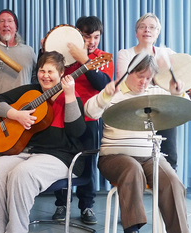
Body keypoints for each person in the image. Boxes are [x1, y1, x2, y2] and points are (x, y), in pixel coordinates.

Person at [84, 54, 189, 233]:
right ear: (129, 72)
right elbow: (90, 111)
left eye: (148, 78)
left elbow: (184, 109)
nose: (144, 82)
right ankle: (132, 229)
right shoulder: (114, 92)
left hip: (149, 157)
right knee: (132, 168)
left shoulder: (155, 93)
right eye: (140, 76)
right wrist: (105, 96)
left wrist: (177, 93)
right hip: (114, 158)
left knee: (172, 181)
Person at [0, 51, 86, 233]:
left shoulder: (71, 96)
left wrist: (70, 95)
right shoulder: (31, 92)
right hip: (28, 152)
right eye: (42, 71)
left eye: (50, 72)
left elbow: (77, 131)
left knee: (22, 173)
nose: (45, 76)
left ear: (61, 73)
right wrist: (16, 114)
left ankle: (17, 230)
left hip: (62, 157)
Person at [46, 16, 114, 224]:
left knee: (88, 164)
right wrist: (46, 51)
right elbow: (48, 78)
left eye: (96, 36)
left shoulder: (104, 57)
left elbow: (101, 83)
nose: (92, 41)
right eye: (86, 36)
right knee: (61, 160)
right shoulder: (63, 57)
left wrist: (84, 59)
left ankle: (87, 207)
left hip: (90, 118)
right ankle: (61, 204)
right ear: (77, 36)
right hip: (62, 117)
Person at [116, 13, 178, 171]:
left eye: (152, 27)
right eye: (142, 27)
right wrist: (158, 72)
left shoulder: (168, 54)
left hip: (163, 110)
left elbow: (178, 80)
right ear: (136, 33)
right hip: (134, 110)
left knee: (169, 157)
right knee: (136, 159)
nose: (147, 30)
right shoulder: (125, 54)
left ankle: (168, 187)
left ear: (157, 33)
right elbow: (126, 84)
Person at [0, 9, 37, 161]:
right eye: (1, 21)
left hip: (24, 115)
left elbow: (38, 82)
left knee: (24, 161)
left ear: (16, 26)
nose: (6, 25)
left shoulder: (29, 51)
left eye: (10, 21)